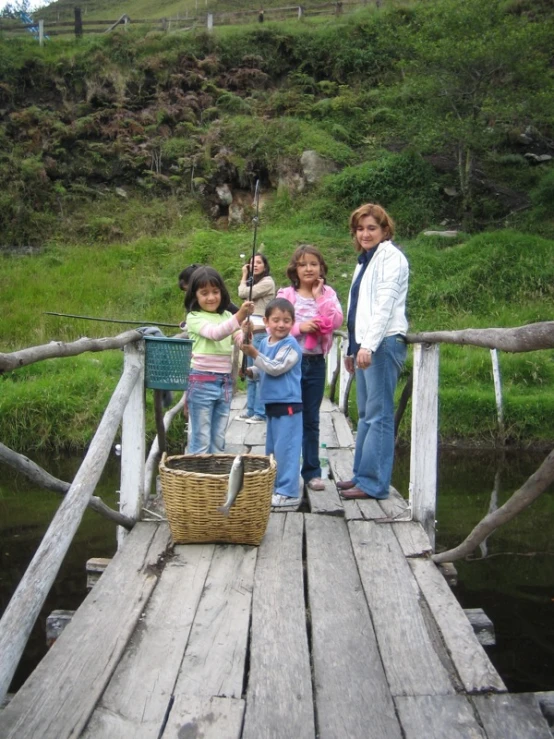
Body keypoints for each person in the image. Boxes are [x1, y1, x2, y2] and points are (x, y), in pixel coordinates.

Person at [338, 203, 409, 501]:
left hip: (382, 344)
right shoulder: (365, 260)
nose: (365, 233)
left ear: (384, 230)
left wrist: (368, 345)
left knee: (379, 416)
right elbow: (358, 311)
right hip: (365, 346)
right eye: (360, 228)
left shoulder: (391, 258)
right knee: (366, 414)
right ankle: (361, 475)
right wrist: (352, 348)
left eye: (372, 228)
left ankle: (374, 483)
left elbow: (384, 306)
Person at [277, 245, 343, 491]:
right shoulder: (286, 294)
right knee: (287, 416)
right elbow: (277, 327)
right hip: (289, 363)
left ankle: (312, 472)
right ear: (295, 268)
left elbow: (335, 321)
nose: (308, 268)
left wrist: (319, 297)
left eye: (313, 264)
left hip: (315, 364)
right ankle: (285, 471)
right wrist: (300, 328)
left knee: (311, 420)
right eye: (303, 264)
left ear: (321, 268)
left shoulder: (328, 293)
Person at [184, 266, 253, 454]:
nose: (211, 297)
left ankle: (214, 479)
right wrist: (240, 316)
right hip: (201, 381)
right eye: (204, 293)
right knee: (201, 438)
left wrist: (246, 332)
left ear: (222, 293)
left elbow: (239, 340)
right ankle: (196, 480)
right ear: (194, 295)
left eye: (215, 292)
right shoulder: (194, 317)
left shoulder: (227, 316)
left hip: (224, 382)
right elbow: (215, 333)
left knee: (218, 438)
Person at [242, 298, 303, 507]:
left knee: (287, 449)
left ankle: (289, 492)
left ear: (293, 322)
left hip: (289, 406)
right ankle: (276, 486)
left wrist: (254, 354)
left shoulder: (291, 345)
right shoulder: (266, 342)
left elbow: (276, 367)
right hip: (272, 405)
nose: (281, 325)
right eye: (276, 320)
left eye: (286, 320)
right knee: (273, 450)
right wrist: (249, 371)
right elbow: (262, 369)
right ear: (266, 321)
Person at [237, 253, 276, 424]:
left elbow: (242, 292)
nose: (254, 265)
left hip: (260, 332)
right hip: (249, 332)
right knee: (249, 372)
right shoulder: (254, 283)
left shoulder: (267, 282)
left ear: (265, 266)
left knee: (258, 373)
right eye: (251, 263)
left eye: (259, 262)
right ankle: (251, 409)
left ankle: (260, 413)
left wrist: (244, 275)